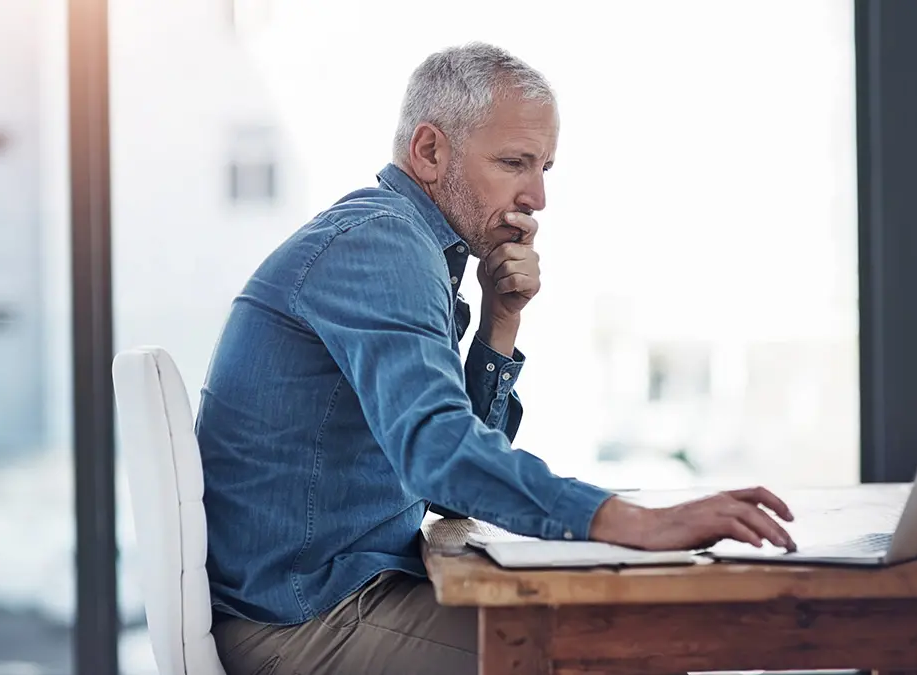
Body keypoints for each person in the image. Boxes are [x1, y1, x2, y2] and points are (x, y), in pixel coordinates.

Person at [196, 41, 797, 675]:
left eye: (545, 167)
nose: (536, 196)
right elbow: (439, 454)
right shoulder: (381, 243)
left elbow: (451, 492)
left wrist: (501, 320)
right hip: (302, 622)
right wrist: (636, 523)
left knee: (631, 630)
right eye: (514, 162)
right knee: (639, 645)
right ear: (430, 151)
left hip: (334, 596)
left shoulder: (408, 246)